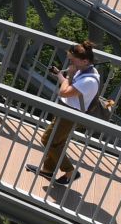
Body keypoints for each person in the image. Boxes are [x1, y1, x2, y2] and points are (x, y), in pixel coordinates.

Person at [32, 40, 102, 185]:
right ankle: (48, 170)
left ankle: (70, 171)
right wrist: (60, 75)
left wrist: (69, 75)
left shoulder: (89, 80)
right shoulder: (85, 70)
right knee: (57, 142)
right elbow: (69, 88)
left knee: (47, 140)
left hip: (71, 114)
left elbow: (64, 92)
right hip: (66, 110)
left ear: (84, 61)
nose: (70, 62)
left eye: (73, 60)